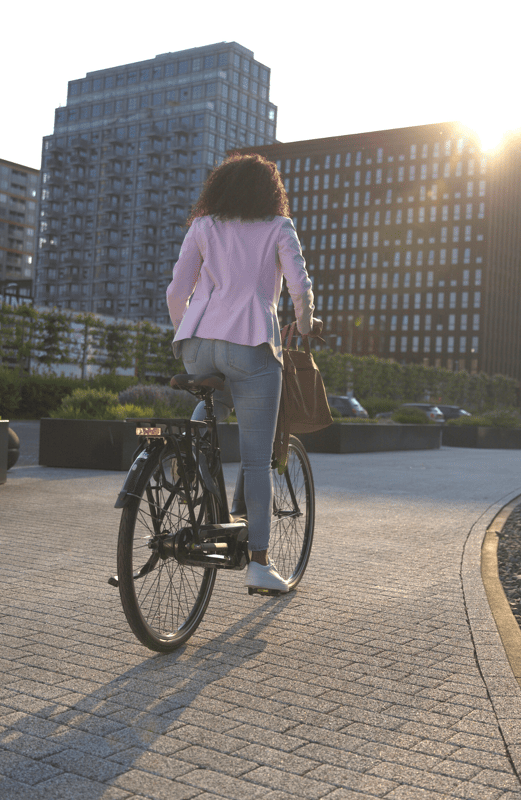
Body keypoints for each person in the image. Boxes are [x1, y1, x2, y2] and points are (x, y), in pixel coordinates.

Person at [166, 153, 315, 594]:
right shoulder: (278, 227)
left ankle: (190, 450)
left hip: (197, 347)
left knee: (217, 396)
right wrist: (305, 325)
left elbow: (178, 289)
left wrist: (188, 328)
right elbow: (299, 287)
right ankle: (259, 564)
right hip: (251, 346)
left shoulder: (204, 226)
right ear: (269, 192)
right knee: (255, 458)